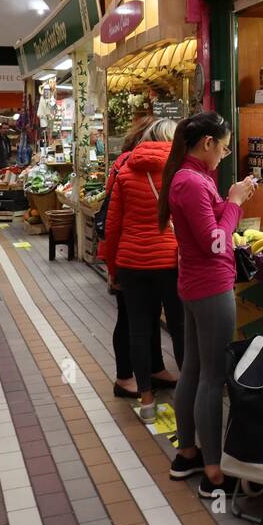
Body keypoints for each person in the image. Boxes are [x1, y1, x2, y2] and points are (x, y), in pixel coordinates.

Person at [160, 112, 256, 497]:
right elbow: (216, 241)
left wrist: (234, 198)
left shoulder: (191, 178)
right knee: (211, 377)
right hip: (210, 286)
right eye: (224, 145)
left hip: (194, 283)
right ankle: (214, 474)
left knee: (195, 370)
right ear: (207, 144)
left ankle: (188, 453)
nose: (225, 152)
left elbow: (210, 225)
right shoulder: (191, 182)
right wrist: (232, 203)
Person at [101, 118, 186, 417]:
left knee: (138, 328)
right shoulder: (180, 171)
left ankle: (146, 401)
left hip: (131, 262)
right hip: (168, 260)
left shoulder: (126, 170)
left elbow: (113, 227)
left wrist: (112, 268)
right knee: (179, 327)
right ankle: (187, 400)